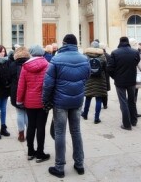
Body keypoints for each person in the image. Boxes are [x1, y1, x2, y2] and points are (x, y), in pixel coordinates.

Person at [43, 34, 89, 178]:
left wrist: (45, 100)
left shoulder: (56, 59)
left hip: (60, 101)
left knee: (60, 133)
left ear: (64, 43)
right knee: (76, 132)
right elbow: (86, 78)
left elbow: (48, 84)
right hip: (77, 100)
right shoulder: (84, 59)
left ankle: (59, 167)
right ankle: (79, 164)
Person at [17, 45, 51, 162]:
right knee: (41, 127)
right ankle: (40, 153)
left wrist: (19, 100)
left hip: (29, 101)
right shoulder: (48, 65)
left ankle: (30, 152)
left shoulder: (25, 67)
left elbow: (21, 86)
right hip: (43, 101)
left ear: (31, 53)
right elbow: (49, 84)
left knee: (31, 126)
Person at [107, 36, 140, 131]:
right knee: (132, 101)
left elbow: (109, 68)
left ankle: (126, 124)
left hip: (120, 81)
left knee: (123, 102)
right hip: (131, 80)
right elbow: (136, 62)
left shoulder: (115, 52)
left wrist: (115, 76)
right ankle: (134, 120)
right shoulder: (135, 52)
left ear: (120, 42)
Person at [81, 41, 108, 124]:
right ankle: (96, 118)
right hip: (100, 79)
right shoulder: (102, 56)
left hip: (89, 78)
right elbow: (105, 67)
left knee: (88, 98)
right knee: (99, 99)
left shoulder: (85, 56)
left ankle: (85, 114)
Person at [9, 46, 30, 142]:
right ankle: (29, 132)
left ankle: (21, 133)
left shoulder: (12, 65)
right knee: (27, 113)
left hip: (16, 91)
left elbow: (8, 78)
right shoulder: (30, 64)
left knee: (20, 113)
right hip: (28, 91)